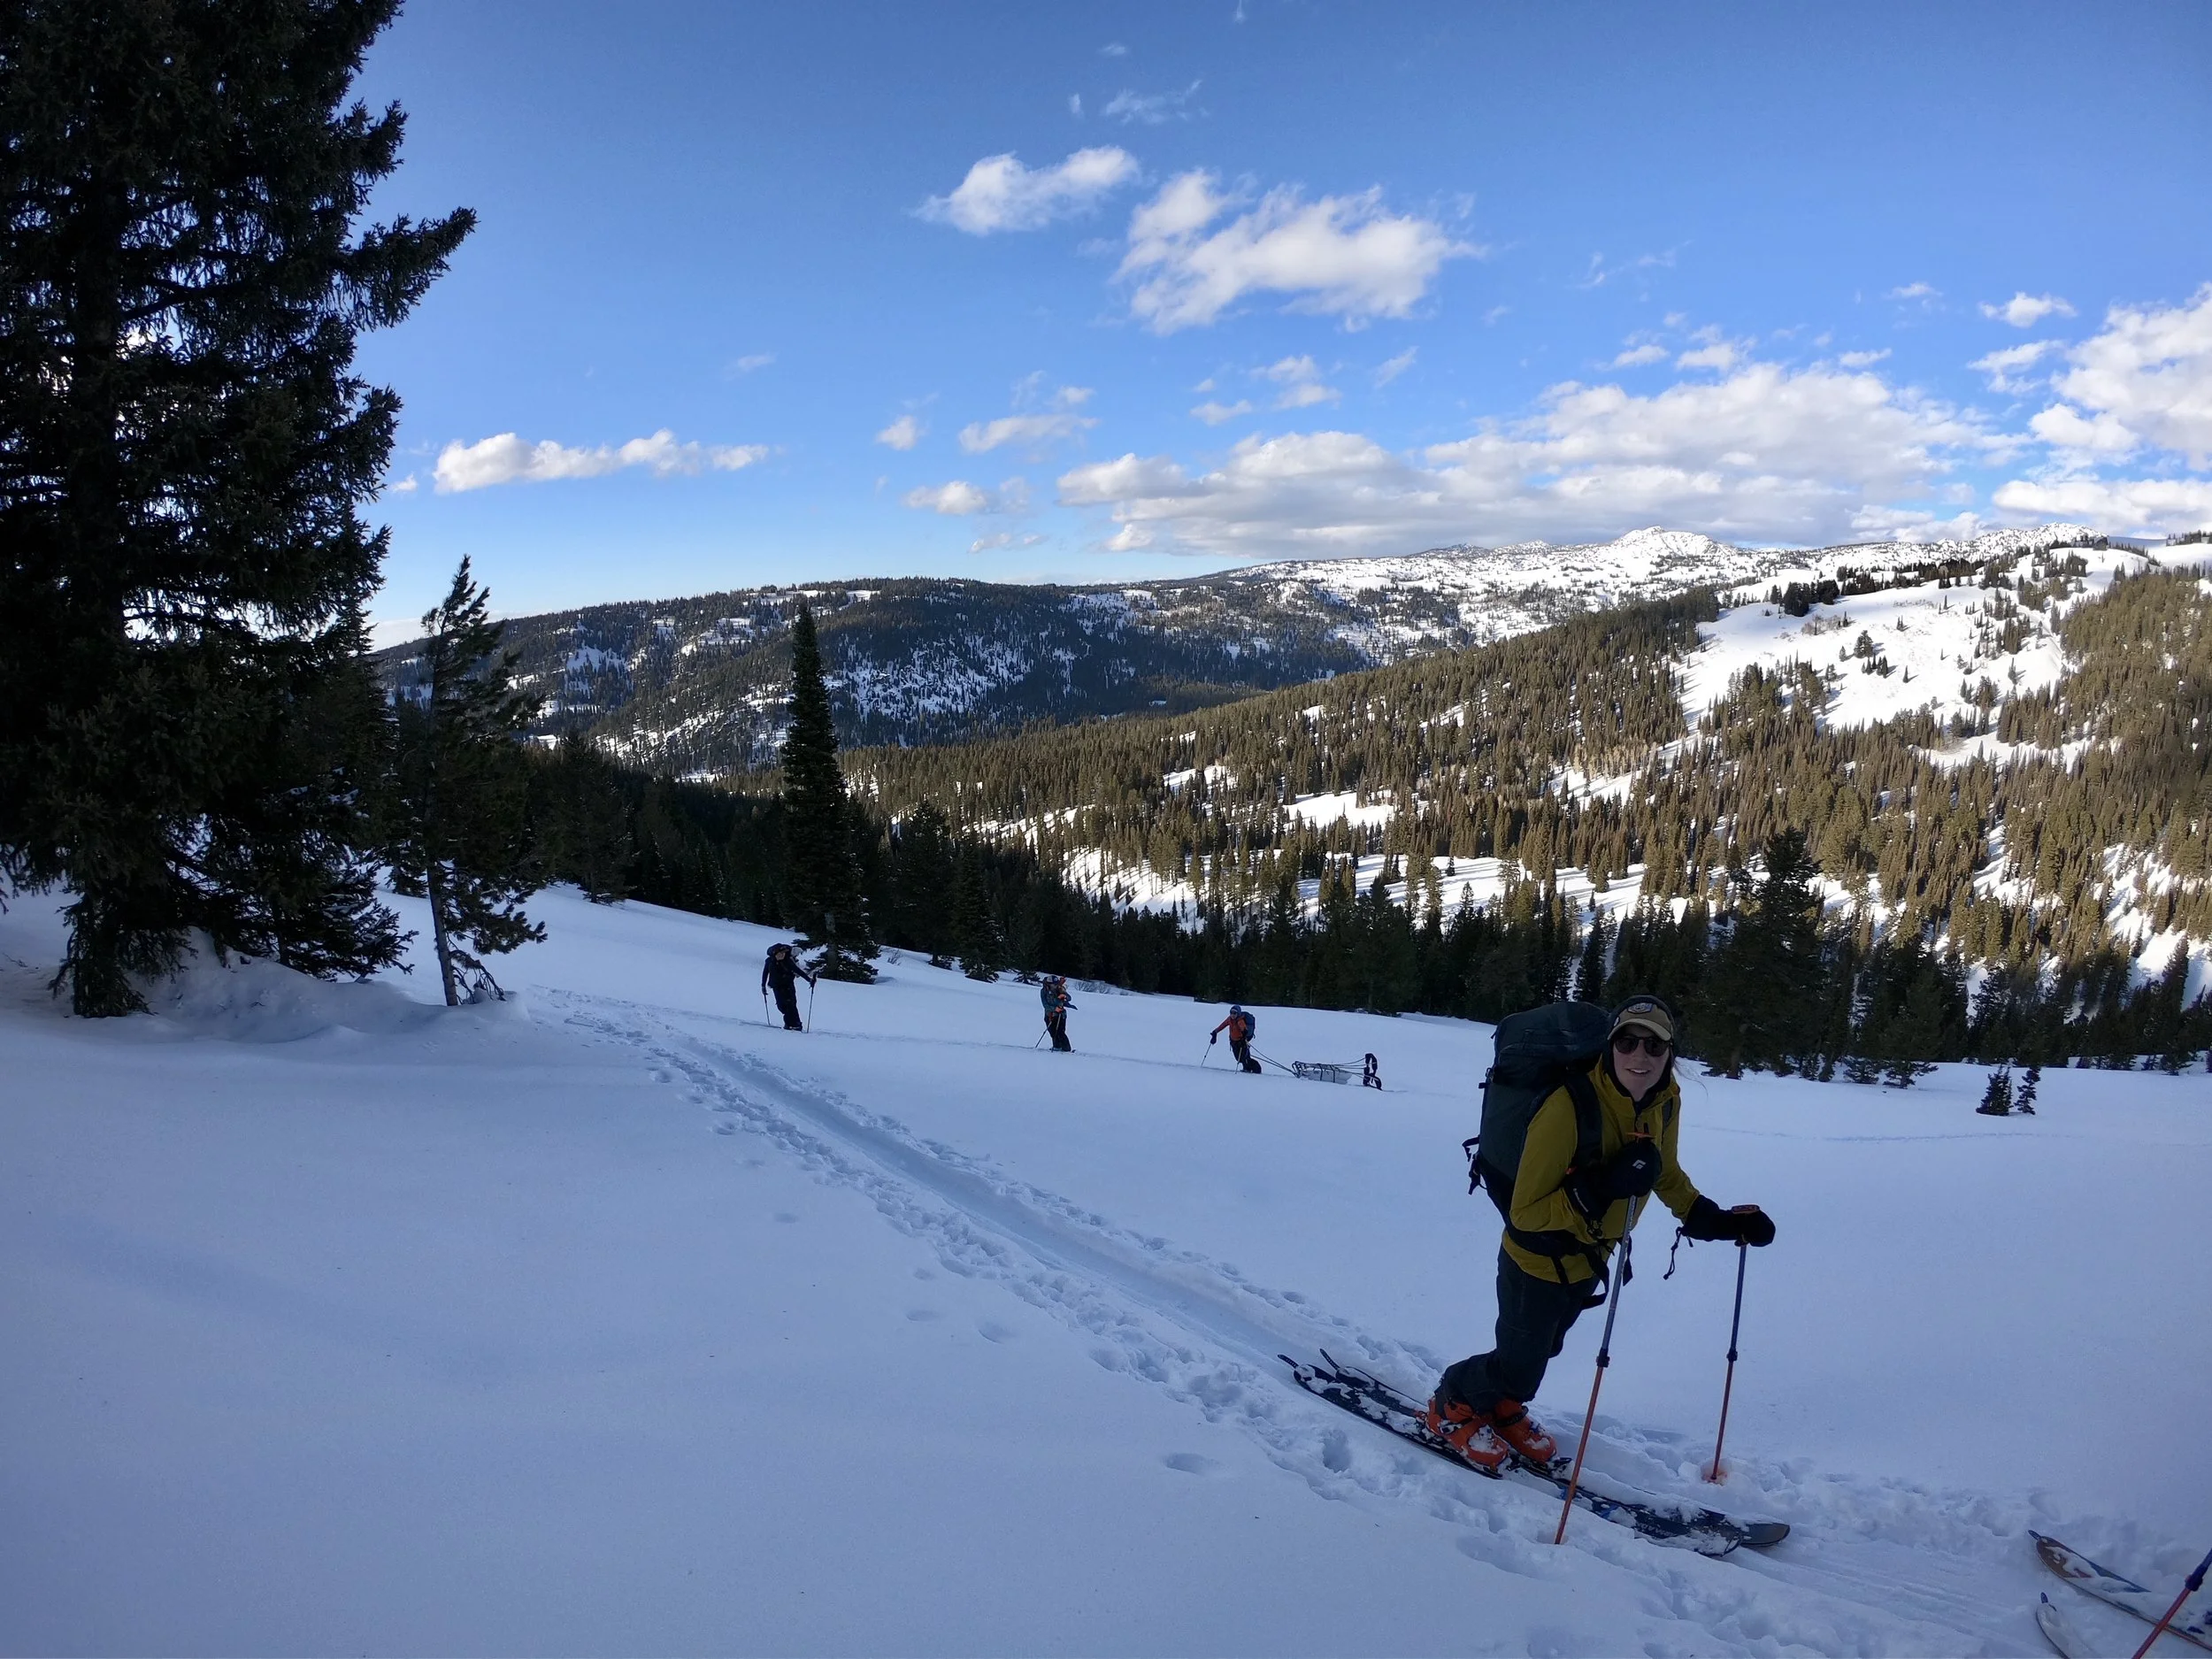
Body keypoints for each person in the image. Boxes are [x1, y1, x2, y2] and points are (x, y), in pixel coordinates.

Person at [1426, 995, 1776, 1470]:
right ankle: (1452, 1404)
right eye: (1628, 1041)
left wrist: (1711, 1218)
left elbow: (1663, 1171)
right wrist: (1600, 1188)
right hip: (1535, 1260)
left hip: (1591, 1258)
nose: (1640, 1056)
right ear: (1611, 1046)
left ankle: (1503, 1408)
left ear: (1669, 1054)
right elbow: (1526, 1212)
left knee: (1545, 1348)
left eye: (1654, 1046)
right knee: (1518, 1365)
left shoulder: (1665, 1101)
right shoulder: (1568, 1106)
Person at [761, 941, 817, 1031]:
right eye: (781, 953)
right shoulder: (769, 961)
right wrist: (763, 986)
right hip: (776, 986)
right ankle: (791, 1024)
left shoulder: (787, 961)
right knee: (781, 1006)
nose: (782, 955)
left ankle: (795, 1024)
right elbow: (765, 973)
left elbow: (798, 971)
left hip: (788, 986)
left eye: (784, 953)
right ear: (775, 954)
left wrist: (809, 980)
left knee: (791, 1005)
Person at [1210, 1004, 1262, 1073]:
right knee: (1239, 1058)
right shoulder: (1229, 1019)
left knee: (1244, 1057)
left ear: (1238, 1013)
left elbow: (1244, 1029)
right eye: (1231, 1012)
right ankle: (1247, 1068)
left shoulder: (1240, 1021)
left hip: (1241, 1042)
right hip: (1233, 1041)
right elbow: (1222, 1025)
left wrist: (1243, 1037)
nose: (1232, 1015)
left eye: (1235, 1013)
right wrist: (1215, 1032)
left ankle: (1253, 1068)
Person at [1041, 974, 1075, 1051]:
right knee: (1052, 1032)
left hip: (1061, 1015)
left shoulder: (1060, 989)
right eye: (1053, 984)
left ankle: (1066, 1049)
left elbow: (1069, 998)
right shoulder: (1043, 991)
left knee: (1060, 1032)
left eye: (1056, 984)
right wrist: (1054, 1009)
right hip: (1049, 1015)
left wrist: (1064, 997)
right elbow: (1045, 1004)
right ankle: (1057, 1046)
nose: (1055, 986)